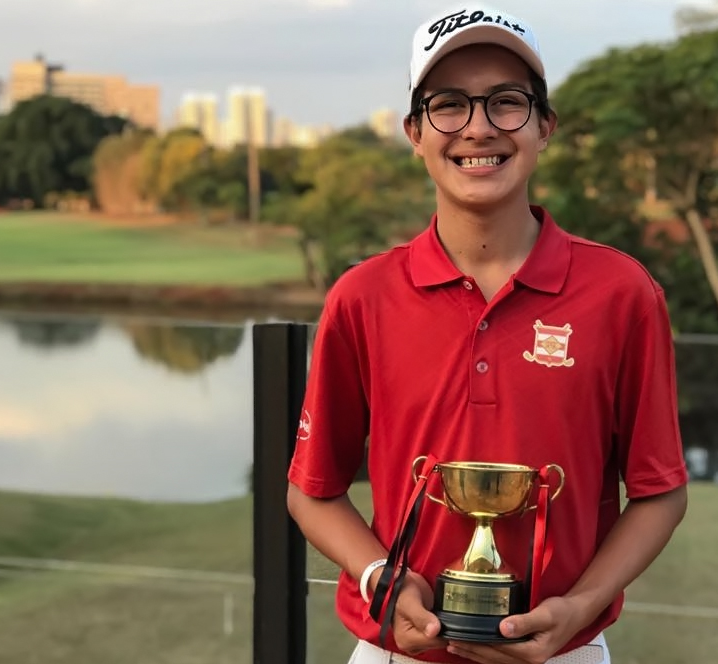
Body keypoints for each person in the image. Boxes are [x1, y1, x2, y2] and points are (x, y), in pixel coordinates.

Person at [286, 5, 689, 663]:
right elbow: (312, 490)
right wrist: (380, 578)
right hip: (399, 657)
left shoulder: (621, 293)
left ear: (544, 127)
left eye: (507, 102)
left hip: (565, 655)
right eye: (449, 104)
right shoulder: (363, 297)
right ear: (415, 132)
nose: (478, 127)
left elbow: (659, 491)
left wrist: (580, 608)